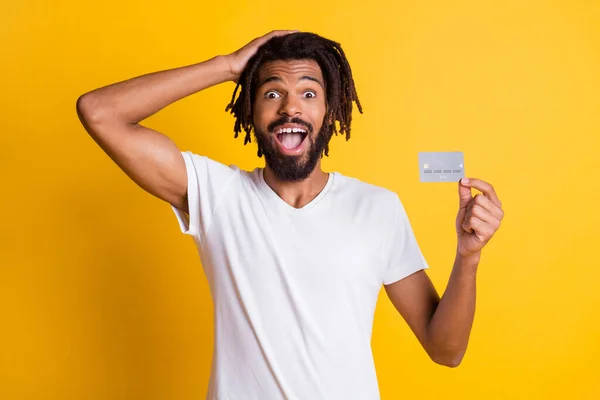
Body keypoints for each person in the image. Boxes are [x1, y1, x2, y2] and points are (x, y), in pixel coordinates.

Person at [76, 30, 504, 400]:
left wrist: (468, 257)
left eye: (309, 93)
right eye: (273, 92)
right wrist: (227, 66)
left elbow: (445, 350)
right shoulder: (218, 195)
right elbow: (99, 112)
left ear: (330, 113)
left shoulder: (377, 208)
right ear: (251, 111)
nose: (290, 108)